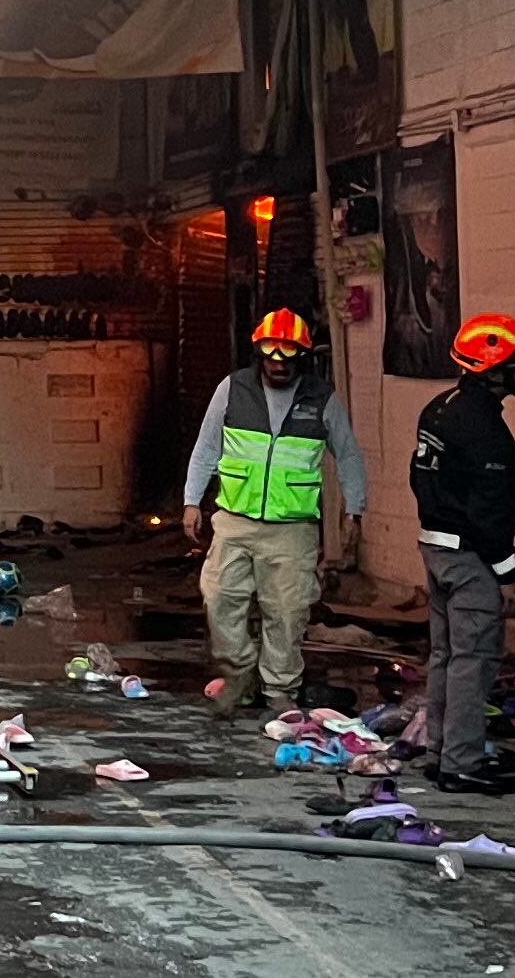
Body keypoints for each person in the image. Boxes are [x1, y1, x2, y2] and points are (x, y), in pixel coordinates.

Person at [186, 306, 363, 719]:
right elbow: (207, 448)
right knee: (219, 599)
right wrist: (192, 501)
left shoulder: (322, 399)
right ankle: (240, 678)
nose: (278, 364)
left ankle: (280, 687)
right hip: (234, 520)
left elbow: (349, 456)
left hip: (293, 528)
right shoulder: (231, 389)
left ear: (303, 357)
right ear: (259, 354)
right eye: (271, 355)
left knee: (286, 610)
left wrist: (354, 510)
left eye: (288, 357)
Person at [409, 310, 515, 796]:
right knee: (473, 659)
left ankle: (441, 750)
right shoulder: (485, 429)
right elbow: (491, 510)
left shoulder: (440, 408)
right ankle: (461, 764)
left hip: (436, 547)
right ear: (493, 369)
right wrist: (508, 575)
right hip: (470, 557)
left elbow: (419, 478)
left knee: (445, 655)